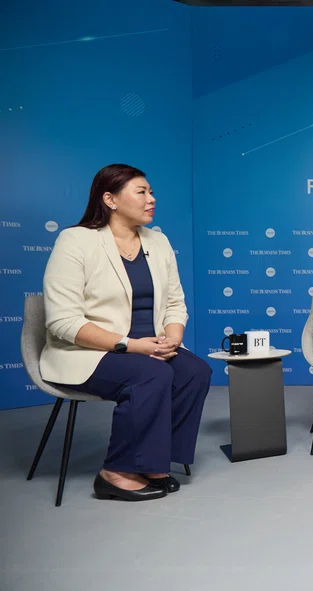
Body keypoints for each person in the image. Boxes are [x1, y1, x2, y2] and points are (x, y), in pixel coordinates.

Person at [41, 164, 211, 502]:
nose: (152, 199)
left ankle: (153, 462)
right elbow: (62, 322)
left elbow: (176, 303)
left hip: (150, 348)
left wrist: (173, 336)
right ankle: (115, 471)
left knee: (195, 372)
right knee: (150, 374)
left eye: (151, 192)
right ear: (110, 199)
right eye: (142, 192)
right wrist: (131, 346)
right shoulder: (75, 241)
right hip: (91, 352)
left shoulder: (158, 241)